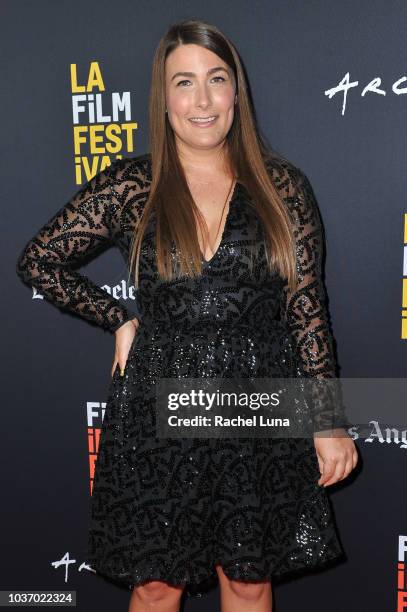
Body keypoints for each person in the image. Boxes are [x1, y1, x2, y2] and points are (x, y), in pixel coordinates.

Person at [16, 18, 358, 612]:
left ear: (235, 92)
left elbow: (305, 309)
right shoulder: (134, 185)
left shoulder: (283, 187)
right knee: (155, 584)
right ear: (164, 96)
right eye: (184, 82)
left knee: (249, 580)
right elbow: (40, 260)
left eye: (216, 79)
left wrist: (327, 421)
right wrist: (118, 318)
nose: (202, 100)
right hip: (160, 396)